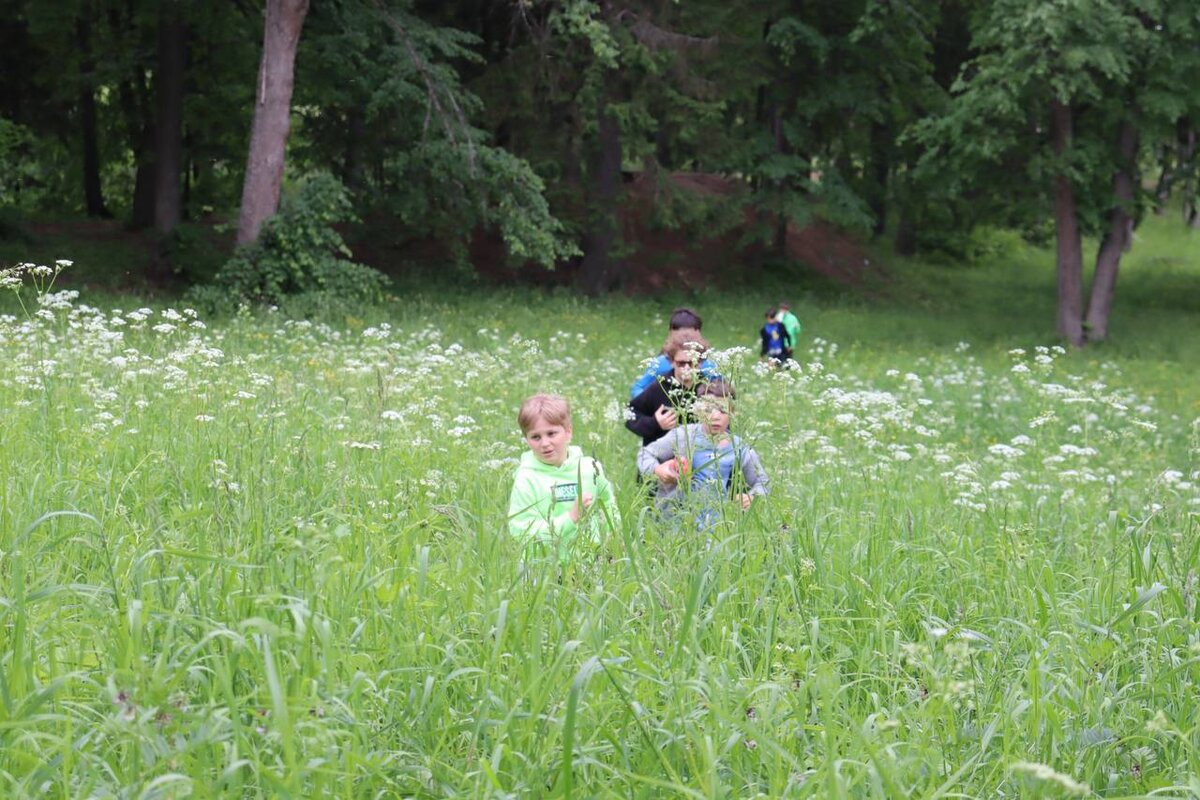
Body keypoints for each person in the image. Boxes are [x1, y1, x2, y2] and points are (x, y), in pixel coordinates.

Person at [637, 381, 769, 528]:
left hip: (719, 528)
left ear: (733, 413)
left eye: (723, 410)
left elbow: (762, 482)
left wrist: (752, 497)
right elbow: (645, 453)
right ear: (698, 410)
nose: (715, 416)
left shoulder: (740, 448)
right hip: (674, 524)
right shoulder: (684, 436)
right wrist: (657, 470)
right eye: (708, 409)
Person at [508, 394, 621, 563]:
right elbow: (521, 532)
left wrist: (612, 539)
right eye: (536, 437)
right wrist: (570, 518)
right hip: (544, 570)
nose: (545, 443)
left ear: (568, 432)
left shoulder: (590, 468)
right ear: (527, 439)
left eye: (551, 433)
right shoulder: (526, 478)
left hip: (590, 564)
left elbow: (608, 504)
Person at [626, 330, 710, 447]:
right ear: (671, 362)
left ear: (700, 362)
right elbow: (630, 415)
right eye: (681, 363)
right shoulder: (659, 387)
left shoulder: (709, 388)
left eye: (692, 363)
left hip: (700, 455)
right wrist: (655, 423)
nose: (686, 368)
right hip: (662, 457)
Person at [630, 307, 719, 398]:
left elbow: (723, 389)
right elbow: (638, 388)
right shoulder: (660, 364)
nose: (685, 337)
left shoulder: (708, 365)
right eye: (679, 333)